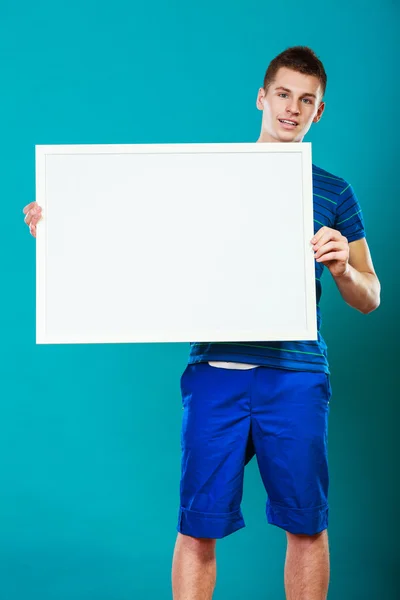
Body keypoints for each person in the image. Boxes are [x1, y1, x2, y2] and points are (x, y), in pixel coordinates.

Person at [23, 46, 381, 600]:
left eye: (306, 100)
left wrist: (340, 268)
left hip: (296, 376)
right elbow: (138, 245)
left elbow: (370, 296)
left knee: (307, 525)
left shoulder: (334, 191)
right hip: (216, 371)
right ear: (262, 97)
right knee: (197, 527)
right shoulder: (212, 176)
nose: (292, 108)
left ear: (320, 112)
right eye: (283, 94)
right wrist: (58, 230)